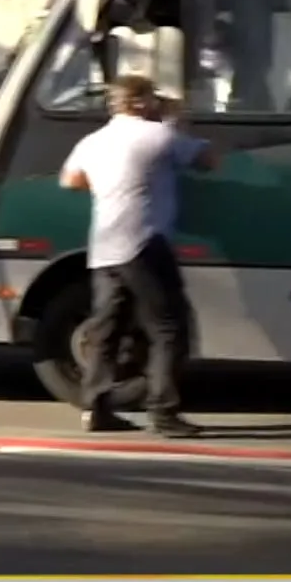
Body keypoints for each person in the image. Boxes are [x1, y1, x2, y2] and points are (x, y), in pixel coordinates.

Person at [58, 73, 217, 437]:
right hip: (145, 243)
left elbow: (71, 180)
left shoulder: (93, 141)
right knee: (168, 328)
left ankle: (96, 408)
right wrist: (177, 122)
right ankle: (163, 412)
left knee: (106, 330)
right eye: (154, 97)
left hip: (104, 247)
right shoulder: (158, 135)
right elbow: (210, 160)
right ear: (143, 102)